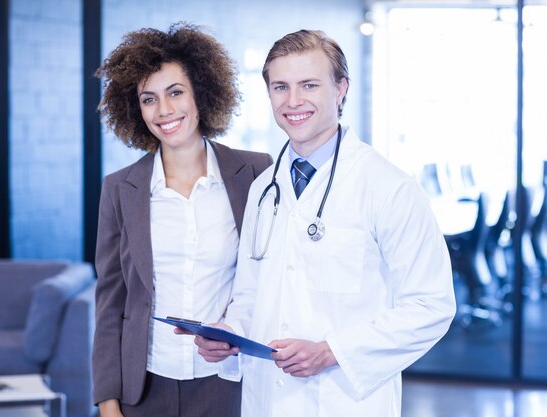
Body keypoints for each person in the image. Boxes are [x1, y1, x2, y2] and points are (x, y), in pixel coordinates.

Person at [193, 29, 457, 417]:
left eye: (309, 85)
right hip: (267, 399)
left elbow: (431, 305)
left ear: (340, 89)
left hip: (345, 401)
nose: (293, 100)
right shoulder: (264, 187)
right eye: (280, 87)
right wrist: (230, 335)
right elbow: (250, 294)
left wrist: (333, 352)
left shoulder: (389, 187)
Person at [91, 23, 273, 417]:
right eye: (149, 99)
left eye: (176, 93)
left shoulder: (256, 173)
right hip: (144, 386)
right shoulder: (119, 189)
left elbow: (274, 278)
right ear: (135, 109)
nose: (164, 110)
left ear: (201, 94)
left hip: (228, 382)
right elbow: (110, 302)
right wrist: (108, 402)